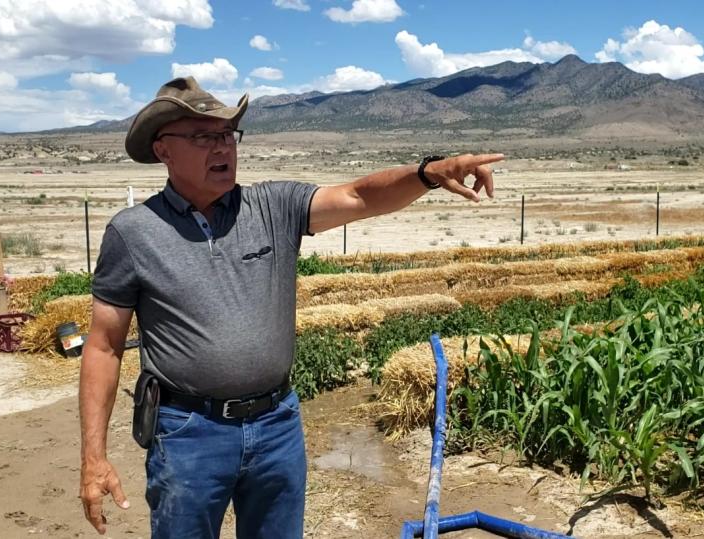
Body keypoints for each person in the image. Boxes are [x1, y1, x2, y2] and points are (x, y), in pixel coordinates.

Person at [78, 76, 502, 538]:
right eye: (203, 136)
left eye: (227, 135)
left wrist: (426, 174)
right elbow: (103, 347)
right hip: (188, 435)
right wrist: (93, 458)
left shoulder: (271, 206)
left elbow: (358, 196)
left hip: (276, 424)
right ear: (164, 151)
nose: (222, 147)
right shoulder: (134, 233)